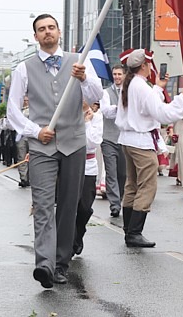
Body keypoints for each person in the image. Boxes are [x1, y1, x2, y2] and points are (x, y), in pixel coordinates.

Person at [7, 13, 103, 288]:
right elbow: (14, 110)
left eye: (51, 27)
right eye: (41, 29)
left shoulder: (79, 61)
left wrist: (84, 79)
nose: (47, 32)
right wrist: (35, 131)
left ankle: (61, 263)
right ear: (35, 36)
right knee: (43, 205)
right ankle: (45, 265)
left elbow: (97, 96)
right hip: (42, 146)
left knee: (69, 206)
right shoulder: (24, 68)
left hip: (74, 142)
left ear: (59, 32)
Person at [116, 49, 183, 248]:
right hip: (140, 141)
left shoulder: (130, 84)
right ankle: (134, 232)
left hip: (129, 139)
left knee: (132, 184)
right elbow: (161, 113)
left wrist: (157, 88)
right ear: (144, 66)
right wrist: (181, 100)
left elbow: (145, 106)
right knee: (147, 185)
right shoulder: (141, 86)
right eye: (150, 64)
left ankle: (129, 229)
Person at [73, 102, 103, 256]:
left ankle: (79, 232)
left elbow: (92, 142)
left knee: (85, 208)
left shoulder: (97, 118)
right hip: (70, 165)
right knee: (70, 207)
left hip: (89, 166)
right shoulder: (70, 113)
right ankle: (70, 241)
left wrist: (87, 122)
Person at [99, 65, 127, 217]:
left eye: (119, 74)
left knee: (122, 174)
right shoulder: (105, 93)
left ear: (124, 75)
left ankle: (120, 197)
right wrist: (120, 107)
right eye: (114, 74)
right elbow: (106, 112)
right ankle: (114, 205)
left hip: (124, 138)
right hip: (108, 138)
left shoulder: (129, 92)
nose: (116, 77)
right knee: (111, 173)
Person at [16, 96, 30, 187]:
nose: (25, 102)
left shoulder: (33, 110)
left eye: (27, 101)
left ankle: (30, 178)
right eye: (24, 101)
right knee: (22, 158)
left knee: (32, 158)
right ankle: (23, 178)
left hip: (32, 136)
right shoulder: (19, 111)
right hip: (21, 136)